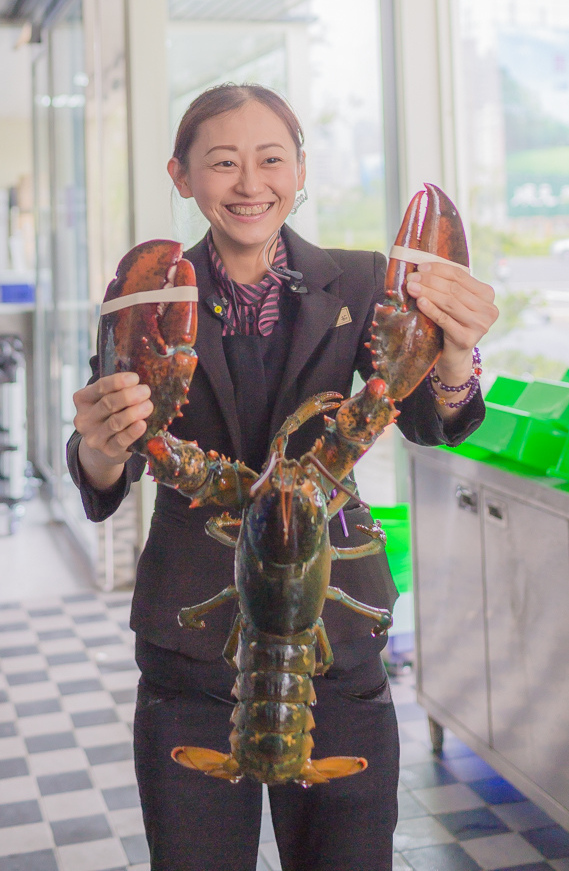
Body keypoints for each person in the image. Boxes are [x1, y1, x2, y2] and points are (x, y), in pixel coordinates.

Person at [68, 84, 498, 871]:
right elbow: (106, 474)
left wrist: (457, 358)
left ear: (301, 170)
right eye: (222, 163)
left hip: (335, 649)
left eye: (270, 160)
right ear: (181, 176)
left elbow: (439, 424)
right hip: (190, 654)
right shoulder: (152, 299)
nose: (249, 183)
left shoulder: (369, 281)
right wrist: (100, 443)